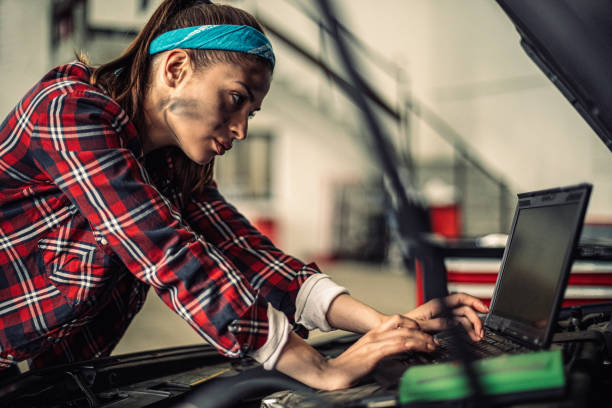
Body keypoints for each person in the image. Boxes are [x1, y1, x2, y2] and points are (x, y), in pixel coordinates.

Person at [0, 0, 488, 390]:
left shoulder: (172, 166)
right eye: (235, 99)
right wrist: (317, 368)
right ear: (175, 69)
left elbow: (254, 257)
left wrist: (385, 325)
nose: (239, 130)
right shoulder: (69, 110)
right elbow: (166, 251)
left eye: (250, 113)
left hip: (43, 371)